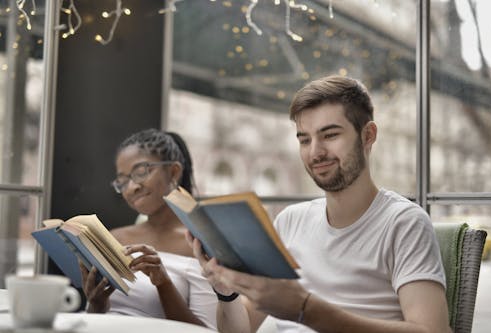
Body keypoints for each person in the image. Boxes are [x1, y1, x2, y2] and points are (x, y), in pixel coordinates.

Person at [189, 76, 451, 332]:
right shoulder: (290, 220)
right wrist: (226, 294)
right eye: (304, 140)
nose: (315, 152)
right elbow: (240, 328)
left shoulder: (404, 223)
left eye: (330, 135)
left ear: (368, 135)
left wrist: (306, 309)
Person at [80, 129, 217, 329]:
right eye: (122, 181)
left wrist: (163, 283)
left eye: (141, 172)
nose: (131, 188)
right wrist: (96, 304)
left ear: (173, 172)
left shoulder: (199, 244)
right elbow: (94, 319)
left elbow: (207, 331)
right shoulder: (113, 238)